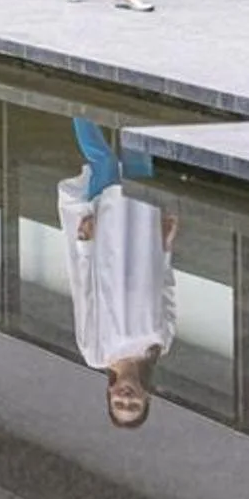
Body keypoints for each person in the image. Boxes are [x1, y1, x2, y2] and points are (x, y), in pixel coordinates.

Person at [59, 117, 178, 430]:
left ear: (109, 393)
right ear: (147, 397)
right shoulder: (159, 346)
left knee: (105, 163)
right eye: (134, 404)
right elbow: (165, 289)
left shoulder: (96, 353)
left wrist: (85, 244)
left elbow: (84, 297)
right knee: (138, 160)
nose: (126, 399)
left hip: (108, 248)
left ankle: (77, 101)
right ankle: (130, 101)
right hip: (143, 243)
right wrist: (166, 246)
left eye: (120, 404)